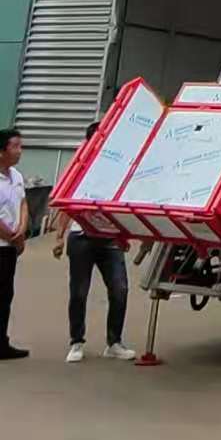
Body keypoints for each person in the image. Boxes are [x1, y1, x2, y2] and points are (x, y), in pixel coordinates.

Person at [52, 122, 136, 363]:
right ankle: (76, 342)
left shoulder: (119, 167)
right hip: (81, 237)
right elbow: (68, 203)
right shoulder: (79, 168)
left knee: (120, 290)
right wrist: (59, 237)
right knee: (79, 292)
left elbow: (124, 204)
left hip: (109, 238)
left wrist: (123, 235)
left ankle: (114, 343)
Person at [0, 126, 29, 360]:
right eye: (15, 146)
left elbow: (23, 204)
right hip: (2, 243)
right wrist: (11, 235)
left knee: (5, 295)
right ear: (2, 151)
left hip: (10, 248)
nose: (20, 151)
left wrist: (22, 231)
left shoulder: (17, 176)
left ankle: (2, 342)